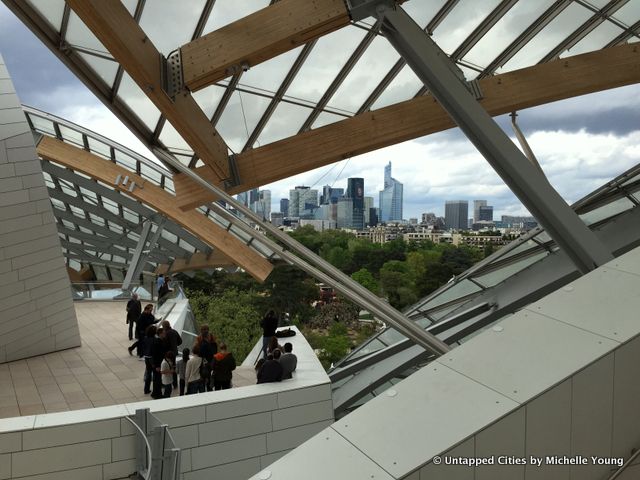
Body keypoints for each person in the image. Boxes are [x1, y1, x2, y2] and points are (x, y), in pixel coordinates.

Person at [194, 325, 217, 391]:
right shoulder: (212, 340)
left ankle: (203, 390)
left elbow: (199, 353)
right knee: (208, 376)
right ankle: (209, 389)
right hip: (210, 361)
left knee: (203, 377)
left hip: (204, 362)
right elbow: (215, 352)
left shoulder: (201, 341)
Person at [161, 320, 182, 388]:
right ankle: (175, 383)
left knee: (166, 367)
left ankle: (166, 383)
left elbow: (164, 344)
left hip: (167, 353)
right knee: (173, 367)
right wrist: (175, 345)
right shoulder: (174, 331)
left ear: (164, 326)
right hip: (174, 352)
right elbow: (180, 341)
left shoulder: (166, 333)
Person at [150, 327, 168, 399]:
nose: (165, 334)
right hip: (158, 364)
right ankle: (157, 394)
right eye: (164, 333)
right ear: (160, 334)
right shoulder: (157, 342)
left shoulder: (159, 341)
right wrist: (157, 366)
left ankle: (155, 393)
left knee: (156, 379)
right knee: (157, 379)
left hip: (158, 363)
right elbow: (155, 354)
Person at [142, 325, 157, 394]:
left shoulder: (145, 338)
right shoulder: (154, 340)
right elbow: (154, 350)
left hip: (146, 357)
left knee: (148, 373)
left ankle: (146, 389)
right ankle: (155, 389)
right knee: (155, 373)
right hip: (152, 358)